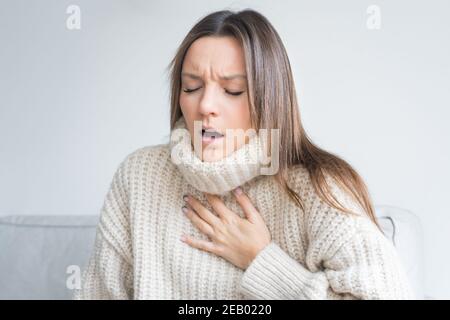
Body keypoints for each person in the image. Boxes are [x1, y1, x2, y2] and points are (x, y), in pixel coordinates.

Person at [73, 9, 414, 300]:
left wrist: (263, 261)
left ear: (269, 99)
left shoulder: (318, 186)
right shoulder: (139, 175)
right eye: (191, 87)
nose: (205, 106)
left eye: (232, 90)